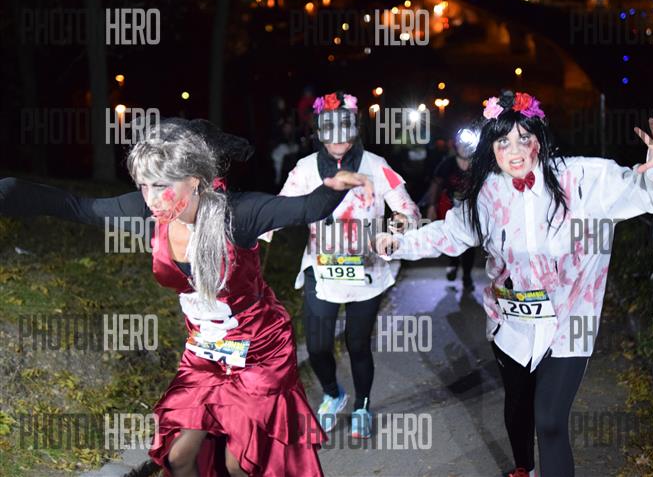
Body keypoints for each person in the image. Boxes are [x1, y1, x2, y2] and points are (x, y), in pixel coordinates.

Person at [0, 117, 373, 477]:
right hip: (204, 352)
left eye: (160, 185)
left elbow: (304, 208)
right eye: (143, 185)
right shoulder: (147, 213)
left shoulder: (237, 214)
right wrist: (10, 191)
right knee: (178, 457)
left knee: (239, 463)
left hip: (259, 350)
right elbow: (77, 207)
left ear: (194, 181)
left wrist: (333, 187)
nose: (151, 198)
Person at [375, 91, 653, 477]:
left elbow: (648, 193)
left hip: (569, 323)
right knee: (518, 406)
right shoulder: (487, 194)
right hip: (512, 324)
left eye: (524, 138)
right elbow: (449, 234)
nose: (515, 150)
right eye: (503, 141)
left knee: (550, 420)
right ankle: (525, 467)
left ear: (540, 138)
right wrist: (400, 243)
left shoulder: (581, 178)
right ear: (492, 148)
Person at [261, 91, 420, 439]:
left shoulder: (375, 165)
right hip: (321, 268)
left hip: (367, 270)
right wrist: (254, 232)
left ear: (355, 130)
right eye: (329, 134)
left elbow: (408, 211)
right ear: (318, 132)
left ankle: (362, 404)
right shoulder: (305, 169)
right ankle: (333, 394)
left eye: (344, 133)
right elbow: (280, 209)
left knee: (357, 344)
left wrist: (393, 232)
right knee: (317, 346)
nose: (337, 142)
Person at [426, 135, 476, 290]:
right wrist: (432, 206)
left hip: (472, 210)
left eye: (468, 145)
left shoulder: (478, 164)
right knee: (452, 237)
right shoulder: (448, 164)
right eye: (462, 145)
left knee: (470, 243)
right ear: (456, 147)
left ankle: (467, 276)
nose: (465, 148)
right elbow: (436, 184)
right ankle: (453, 263)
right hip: (451, 208)